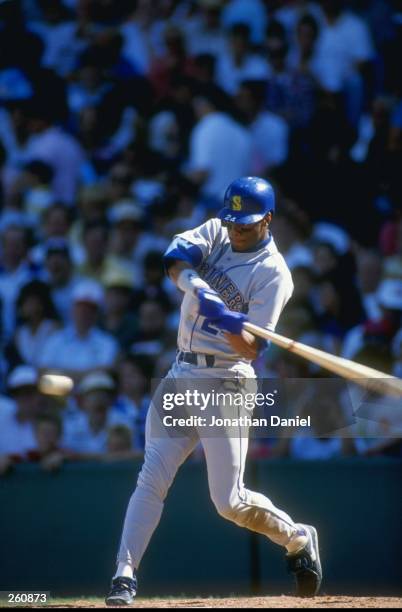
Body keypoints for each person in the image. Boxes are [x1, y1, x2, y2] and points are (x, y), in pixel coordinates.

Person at [105, 177, 322, 605]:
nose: (237, 230)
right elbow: (174, 256)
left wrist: (225, 320)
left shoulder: (273, 273)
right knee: (151, 476)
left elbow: (252, 348)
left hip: (226, 379)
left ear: (268, 220)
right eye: (234, 222)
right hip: (180, 371)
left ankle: (297, 537)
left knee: (229, 502)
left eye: (247, 224)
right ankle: (123, 577)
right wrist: (195, 285)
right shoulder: (218, 229)